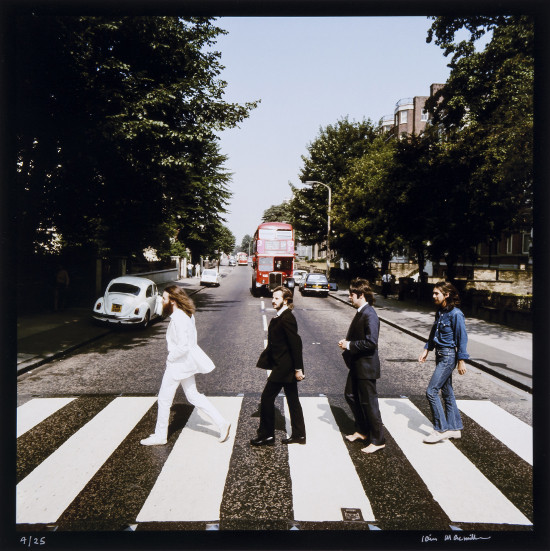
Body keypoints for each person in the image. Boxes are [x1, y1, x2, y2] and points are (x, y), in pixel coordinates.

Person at [141, 285, 230, 446]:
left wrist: (170, 358)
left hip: (177, 364)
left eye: (164, 298)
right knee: (193, 395)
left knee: (164, 399)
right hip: (185, 363)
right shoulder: (187, 314)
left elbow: (183, 346)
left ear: (172, 301)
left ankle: (160, 436)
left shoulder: (178, 318)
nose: (162, 301)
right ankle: (222, 422)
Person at [251, 286, 306, 446]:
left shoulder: (287, 318)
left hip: (284, 367)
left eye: (277, 298)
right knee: (293, 400)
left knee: (266, 398)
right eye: (273, 298)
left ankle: (267, 435)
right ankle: (299, 435)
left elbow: (296, 344)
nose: (273, 301)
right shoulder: (282, 316)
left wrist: (298, 369)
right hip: (284, 365)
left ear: (286, 300)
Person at [338, 278, 385, 454]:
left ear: (361, 295)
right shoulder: (361, 312)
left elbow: (371, 342)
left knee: (370, 403)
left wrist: (349, 345)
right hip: (358, 365)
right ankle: (363, 430)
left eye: (352, 294)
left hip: (366, 367)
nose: (349, 297)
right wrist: (348, 343)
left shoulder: (370, 314)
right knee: (350, 395)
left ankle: (378, 440)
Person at [418, 281, 468, 443]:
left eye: (436, 293)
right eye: (433, 293)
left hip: (448, 356)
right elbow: (434, 332)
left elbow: (462, 338)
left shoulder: (456, 314)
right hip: (439, 354)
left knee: (431, 391)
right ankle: (454, 428)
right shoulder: (440, 312)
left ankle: (441, 429)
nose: (433, 296)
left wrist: (461, 360)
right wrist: (427, 349)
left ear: (446, 295)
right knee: (447, 392)